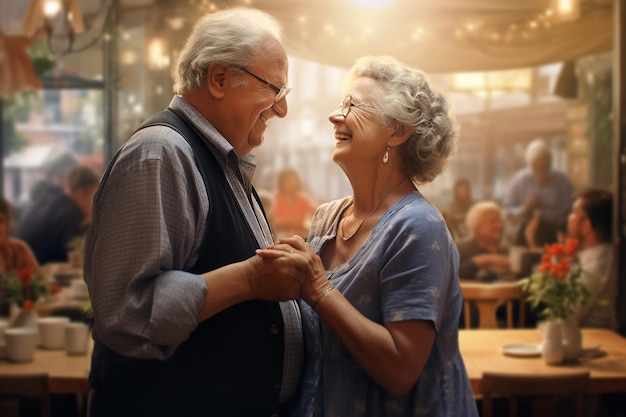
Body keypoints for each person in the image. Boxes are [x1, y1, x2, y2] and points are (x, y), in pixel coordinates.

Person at [84, 8, 304, 417]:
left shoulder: (216, 157)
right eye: (275, 88)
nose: (282, 109)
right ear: (219, 79)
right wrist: (253, 278)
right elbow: (128, 314)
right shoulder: (161, 153)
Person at [258, 55, 478, 416]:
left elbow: (400, 370)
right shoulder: (327, 218)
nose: (335, 115)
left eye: (352, 105)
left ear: (397, 131)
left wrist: (316, 287)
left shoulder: (418, 227)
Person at [15, 165, 99, 265]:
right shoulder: (70, 213)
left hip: (20, 264)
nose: (96, 204)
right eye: (94, 197)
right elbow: (77, 257)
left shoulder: (52, 199)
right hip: (34, 271)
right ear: (80, 194)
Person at [502, 139, 575, 246]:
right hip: (523, 236)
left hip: (555, 234)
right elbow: (507, 211)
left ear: (550, 163)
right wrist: (525, 208)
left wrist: (548, 215)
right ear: (529, 165)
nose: (541, 171)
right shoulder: (519, 180)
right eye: (536, 167)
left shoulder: (561, 179)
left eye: (545, 167)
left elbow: (570, 208)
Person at [566, 188, 616, 330]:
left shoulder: (594, 267)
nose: (569, 218)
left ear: (585, 226)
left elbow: (565, 319)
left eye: (574, 213)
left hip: (592, 344)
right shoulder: (607, 255)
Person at [0, 197, 40, 316]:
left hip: (22, 318)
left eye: (0, 221)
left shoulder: (19, 249)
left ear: (7, 223)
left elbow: (42, 286)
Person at [456, 201, 510, 281]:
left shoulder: (504, 249)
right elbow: (450, 272)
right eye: (492, 222)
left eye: (499, 221)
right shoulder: (463, 247)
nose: (498, 226)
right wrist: (482, 260)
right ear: (477, 224)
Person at [270, 167, 317, 239]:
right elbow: (272, 222)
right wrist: (289, 222)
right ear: (281, 183)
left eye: (292, 181)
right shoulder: (275, 199)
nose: (290, 184)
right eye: (287, 181)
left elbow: (316, 212)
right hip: (280, 235)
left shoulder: (302, 198)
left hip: (300, 234)